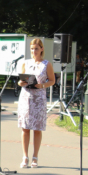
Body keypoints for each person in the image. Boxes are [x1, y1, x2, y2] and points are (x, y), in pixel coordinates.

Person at [17, 38, 56, 168]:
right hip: (26, 97)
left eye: (36, 49)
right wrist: (20, 83)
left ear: (41, 49)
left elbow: (52, 80)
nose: (34, 51)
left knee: (37, 129)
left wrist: (42, 85)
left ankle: (35, 157)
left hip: (38, 98)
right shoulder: (25, 63)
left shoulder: (46, 64)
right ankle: (25, 157)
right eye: (32, 49)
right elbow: (20, 81)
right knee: (25, 128)